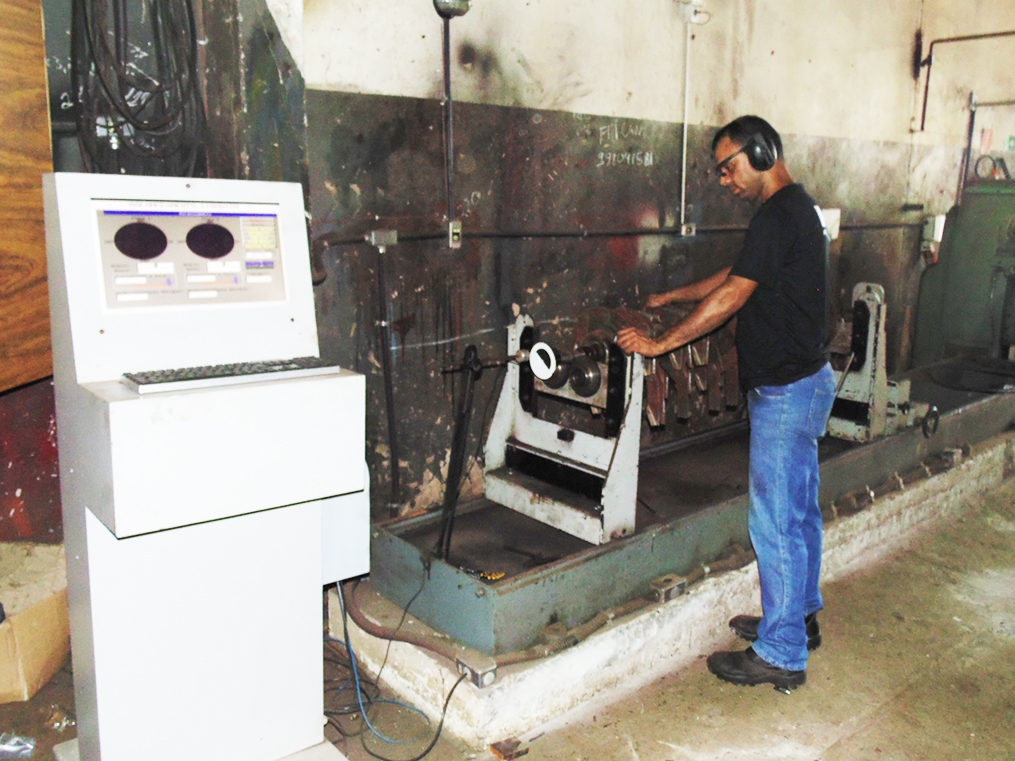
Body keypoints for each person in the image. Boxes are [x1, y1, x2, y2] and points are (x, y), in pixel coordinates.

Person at [617, 115, 835, 691]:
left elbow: (735, 293)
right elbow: (738, 274)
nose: (724, 180)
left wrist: (661, 343)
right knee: (799, 512)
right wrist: (672, 295)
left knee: (775, 522)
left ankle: (782, 653)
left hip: (786, 392)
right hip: (808, 382)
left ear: (762, 153)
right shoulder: (795, 210)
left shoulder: (778, 213)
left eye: (728, 166)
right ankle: (799, 619)